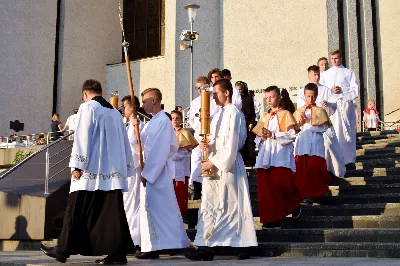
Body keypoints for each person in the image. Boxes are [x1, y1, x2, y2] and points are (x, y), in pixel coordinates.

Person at [40, 79, 134, 264]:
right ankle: (118, 253)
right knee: (111, 215)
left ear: (85, 94)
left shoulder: (88, 107)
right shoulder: (115, 113)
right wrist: (127, 167)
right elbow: (124, 142)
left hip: (90, 170)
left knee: (75, 209)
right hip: (112, 173)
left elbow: (83, 137)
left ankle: (62, 250)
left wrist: (77, 165)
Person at [186, 79, 257, 261]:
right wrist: (207, 144)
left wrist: (213, 161)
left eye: (216, 92)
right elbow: (216, 140)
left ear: (226, 93)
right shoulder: (219, 114)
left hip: (228, 167)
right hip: (215, 166)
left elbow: (232, 145)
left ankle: (242, 244)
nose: (213, 96)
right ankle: (206, 245)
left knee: (231, 206)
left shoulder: (234, 113)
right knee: (210, 206)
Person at [134, 88, 190, 259]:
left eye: (145, 101)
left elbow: (161, 149)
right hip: (151, 171)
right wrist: (136, 126)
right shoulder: (152, 121)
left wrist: (148, 173)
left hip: (157, 172)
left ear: (155, 101)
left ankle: (166, 244)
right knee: (153, 209)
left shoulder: (163, 121)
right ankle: (153, 245)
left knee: (162, 209)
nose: (142, 105)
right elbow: (141, 142)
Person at [252, 86, 300, 229]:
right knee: (266, 189)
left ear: (279, 98)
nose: (269, 100)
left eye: (272, 97)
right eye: (267, 97)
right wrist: (261, 139)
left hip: (280, 154)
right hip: (266, 155)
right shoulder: (265, 116)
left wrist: (273, 135)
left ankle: (293, 204)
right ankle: (270, 219)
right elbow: (258, 138)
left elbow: (292, 135)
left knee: (281, 185)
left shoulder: (286, 114)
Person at [297, 65, 346, 179]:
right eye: (314, 74)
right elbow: (301, 107)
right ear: (309, 75)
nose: (317, 76)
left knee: (329, 145)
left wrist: (327, 105)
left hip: (323, 123)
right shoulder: (302, 91)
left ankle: (331, 171)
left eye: (318, 74)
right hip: (308, 125)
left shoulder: (325, 89)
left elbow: (334, 105)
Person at [293, 83, 332, 205]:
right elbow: (292, 130)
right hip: (302, 143)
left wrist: (309, 122)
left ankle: (317, 193)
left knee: (315, 168)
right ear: (304, 95)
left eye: (313, 96)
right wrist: (299, 124)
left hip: (315, 144)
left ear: (316, 96)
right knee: (302, 171)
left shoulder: (320, 110)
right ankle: (304, 195)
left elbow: (324, 127)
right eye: (308, 96)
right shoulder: (298, 111)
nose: (310, 99)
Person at [320, 50, 359, 169]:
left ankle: (349, 159)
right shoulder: (325, 74)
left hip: (345, 105)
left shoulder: (349, 73)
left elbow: (355, 90)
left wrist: (342, 91)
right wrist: (331, 90)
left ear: (341, 58)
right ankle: (335, 160)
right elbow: (321, 89)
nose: (334, 61)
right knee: (335, 132)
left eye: (336, 58)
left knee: (348, 132)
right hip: (332, 106)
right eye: (332, 59)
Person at [188, 76, 220, 200]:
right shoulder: (195, 101)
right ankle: (197, 189)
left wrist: (209, 120)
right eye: (197, 89)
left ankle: (212, 188)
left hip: (212, 135)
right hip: (199, 134)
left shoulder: (215, 100)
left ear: (208, 86)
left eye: (201, 88)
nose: (199, 91)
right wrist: (200, 120)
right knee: (196, 159)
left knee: (211, 158)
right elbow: (192, 118)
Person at [121, 95, 143, 251]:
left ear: (132, 107)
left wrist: (136, 135)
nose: (123, 108)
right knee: (126, 205)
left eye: (125, 106)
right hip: (125, 169)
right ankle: (128, 237)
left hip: (134, 169)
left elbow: (139, 149)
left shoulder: (138, 125)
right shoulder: (128, 125)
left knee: (132, 204)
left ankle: (134, 239)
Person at [171, 110, 198, 217]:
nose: (175, 120)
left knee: (180, 193)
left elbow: (186, 152)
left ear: (181, 120)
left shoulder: (185, 133)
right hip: (169, 169)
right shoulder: (168, 133)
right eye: (172, 118)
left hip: (180, 169)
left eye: (177, 118)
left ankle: (181, 214)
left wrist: (171, 156)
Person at [235, 81, 256, 165]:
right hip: (239, 123)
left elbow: (252, 113)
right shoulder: (234, 99)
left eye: (240, 89)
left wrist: (251, 123)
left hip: (247, 123)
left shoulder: (248, 98)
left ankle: (249, 160)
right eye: (237, 90)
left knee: (249, 141)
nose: (239, 91)